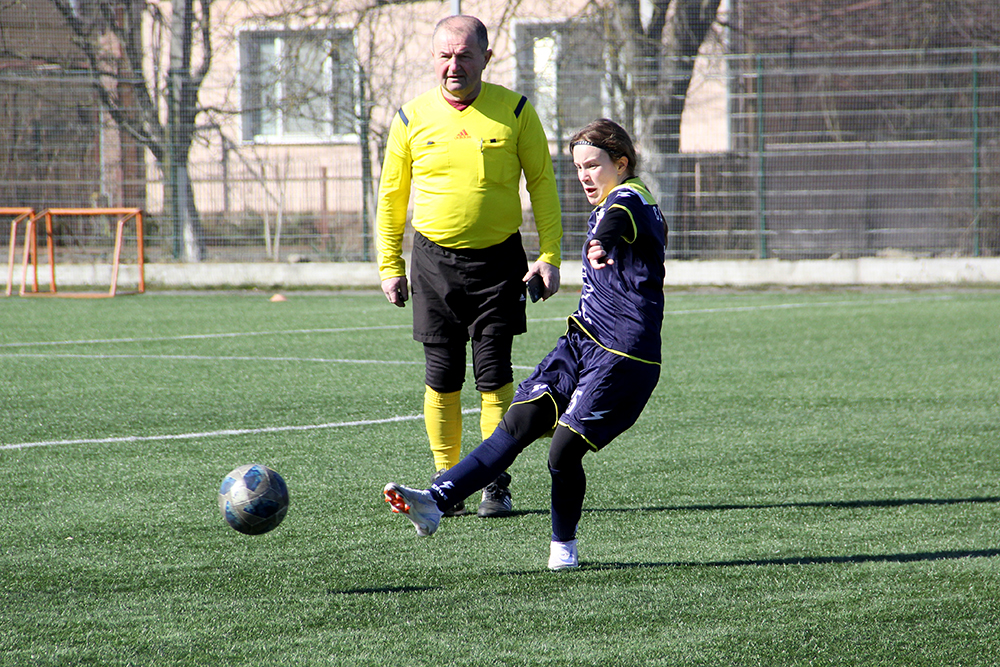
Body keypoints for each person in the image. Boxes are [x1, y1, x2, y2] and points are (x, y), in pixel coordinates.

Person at [383, 118, 667, 570]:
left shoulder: (631, 199)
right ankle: (435, 501)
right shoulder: (611, 201)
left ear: (621, 163)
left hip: (624, 355)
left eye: (593, 165)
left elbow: (618, 220)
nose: (584, 176)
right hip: (582, 340)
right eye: (578, 168)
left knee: (564, 450)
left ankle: (563, 550)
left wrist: (601, 240)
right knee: (518, 422)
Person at [375, 15, 563, 519]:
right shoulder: (410, 118)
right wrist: (389, 264)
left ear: (486, 57)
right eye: (444, 55)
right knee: (442, 376)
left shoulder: (516, 111)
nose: (453, 65)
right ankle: (447, 482)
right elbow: (392, 197)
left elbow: (542, 184)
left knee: (494, 373)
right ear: (434, 58)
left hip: (500, 263)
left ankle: (494, 484)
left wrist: (549, 255)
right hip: (432, 263)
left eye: (464, 55)